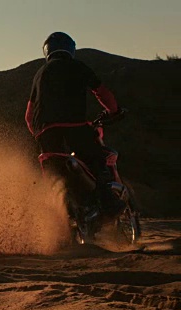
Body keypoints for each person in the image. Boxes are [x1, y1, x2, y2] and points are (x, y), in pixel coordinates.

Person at [25, 31, 125, 219]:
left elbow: (29, 115)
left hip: (46, 134)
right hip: (75, 128)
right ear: (71, 49)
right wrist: (114, 110)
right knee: (97, 160)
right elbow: (101, 93)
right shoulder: (78, 66)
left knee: (52, 176)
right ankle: (108, 202)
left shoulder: (39, 75)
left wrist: (38, 134)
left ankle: (55, 221)